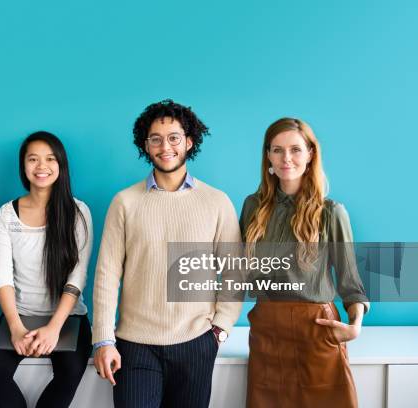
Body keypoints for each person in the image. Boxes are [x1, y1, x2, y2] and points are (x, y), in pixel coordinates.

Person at [92, 99, 243, 408]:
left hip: (197, 343)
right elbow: (107, 276)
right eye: (156, 139)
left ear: (188, 142)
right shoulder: (125, 202)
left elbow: (234, 272)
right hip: (134, 346)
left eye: (174, 137)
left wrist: (221, 331)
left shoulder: (216, 202)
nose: (165, 146)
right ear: (145, 146)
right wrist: (103, 340)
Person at [240, 117, 369, 408]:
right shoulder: (252, 206)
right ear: (268, 155)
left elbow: (350, 279)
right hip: (267, 331)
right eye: (278, 149)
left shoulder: (331, 212)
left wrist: (355, 326)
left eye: (296, 149)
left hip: (317, 329)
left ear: (310, 154)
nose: (286, 158)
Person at [0, 131, 93, 408]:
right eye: (33, 159)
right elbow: (2, 276)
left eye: (49, 159)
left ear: (61, 165)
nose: (41, 166)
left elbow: (77, 276)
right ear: (23, 166)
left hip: (68, 319)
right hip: (18, 315)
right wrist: (16, 327)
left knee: (69, 374)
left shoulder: (78, 212)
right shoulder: (6, 214)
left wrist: (54, 328)